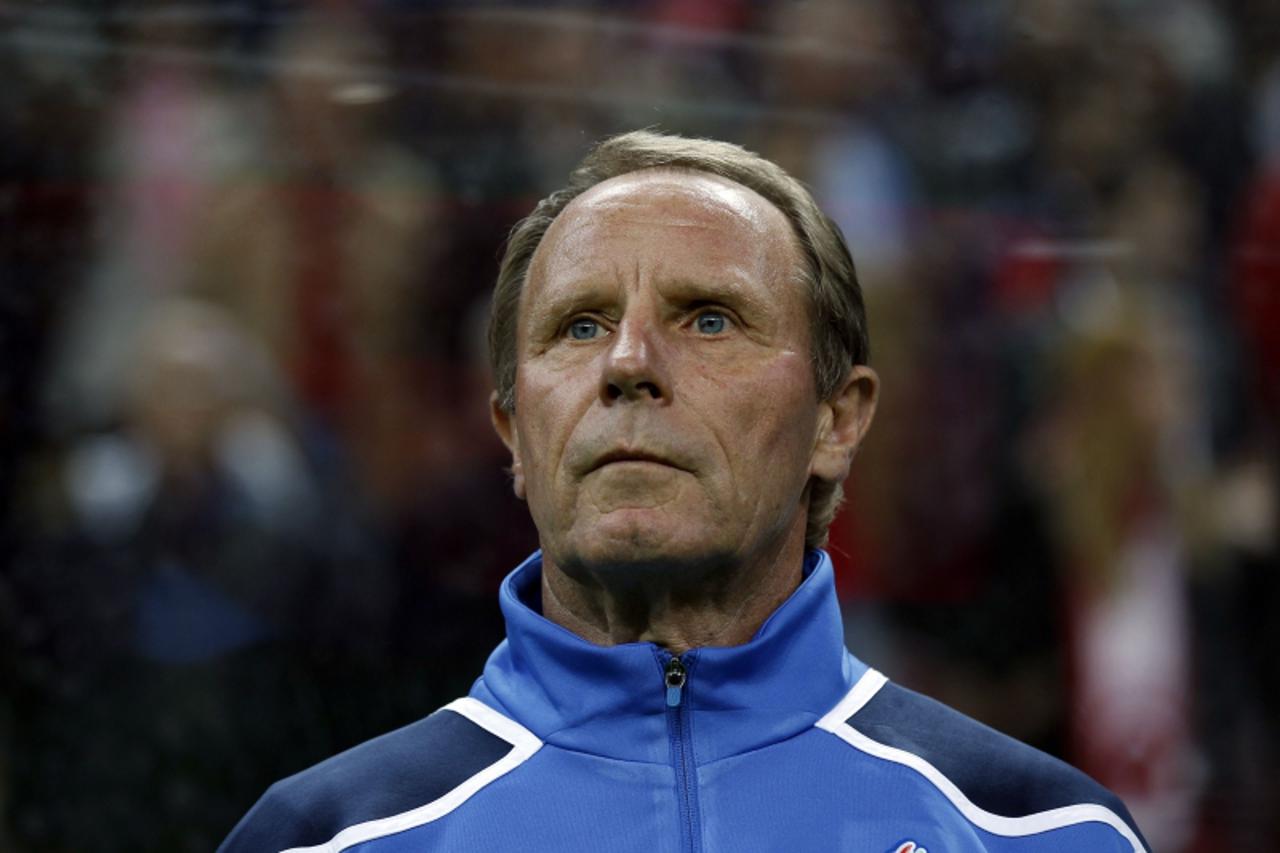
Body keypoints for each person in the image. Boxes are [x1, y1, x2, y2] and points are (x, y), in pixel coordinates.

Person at [220, 131, 1149, 852]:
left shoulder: (1035, 831)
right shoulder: (326, 836)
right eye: (579, 327)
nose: (628, 364)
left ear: (837, 419)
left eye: (709, 318)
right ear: (514, 431)